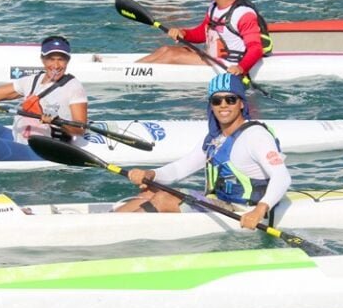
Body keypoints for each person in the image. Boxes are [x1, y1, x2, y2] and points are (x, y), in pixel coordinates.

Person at [115, 73, 290, 230]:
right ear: (211, 105)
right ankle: (111, 222)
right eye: (217, 101)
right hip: (221, 203)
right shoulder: (215, 138)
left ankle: (120, 232)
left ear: (241, 103)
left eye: (230, 99)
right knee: (150, 192)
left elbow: (282, 177)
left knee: (162, 199)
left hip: (245, 210)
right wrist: (151, 174)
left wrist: (259, 210)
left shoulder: (255, 136)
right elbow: (180, 168)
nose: (223, 105)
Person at [136, 0, 269, 76]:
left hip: (230, 63)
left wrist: (241, 68)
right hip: (213, 57)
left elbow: (255, 48)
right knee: (165, 50)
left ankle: (133, 74)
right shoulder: (213, 7)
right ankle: (132, 69)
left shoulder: (243, 14)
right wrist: (183, 33)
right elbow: (202, 34)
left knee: (171, 56)